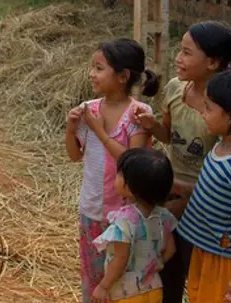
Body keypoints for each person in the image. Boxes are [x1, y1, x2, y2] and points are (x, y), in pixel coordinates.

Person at [132, 20, 231, 303]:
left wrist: (189, 195)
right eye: (180, 50)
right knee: (167, 269)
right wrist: (153, 125)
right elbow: (168, 136)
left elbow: (228, 157)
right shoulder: (175, 89)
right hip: (169, 197)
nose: (178, 58)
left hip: (208, 204)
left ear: (213, 62)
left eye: (187, 53)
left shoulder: (225, 105)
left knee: (199, 273)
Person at [66, 38, 160, 303]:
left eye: (98, 68)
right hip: (91, 209)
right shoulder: (90, 109)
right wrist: (71, 129)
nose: (91, 74)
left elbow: (132, 163)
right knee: (92, 278)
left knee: (119, 281)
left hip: (123, 215)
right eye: (92, 67)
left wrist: (99, 130)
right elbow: (74, 156)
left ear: (122, 76)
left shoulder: (138, 113)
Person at [177, 70, 231, 303]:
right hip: (204, 251)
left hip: (224, 261)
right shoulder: (218, 147)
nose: (202, 113)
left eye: (208, 108)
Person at [92, 148, 177, 303]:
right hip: (155, 289)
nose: (116, 177)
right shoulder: (164, 216)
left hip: (127, 294)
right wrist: (153, 265)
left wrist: (103, 286)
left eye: (120, 175)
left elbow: (120, 259)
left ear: (129, 187)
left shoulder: (123, 221)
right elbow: (170, 250)